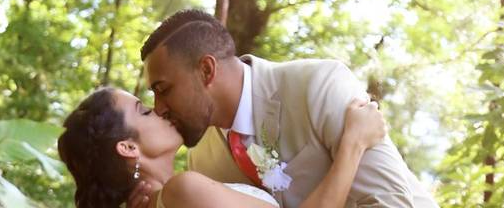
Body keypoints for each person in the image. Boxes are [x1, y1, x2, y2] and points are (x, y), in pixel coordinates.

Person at [130, 10, 439, 208]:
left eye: (163, 89)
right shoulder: (202, 161)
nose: (159, 108)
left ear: (207, 71)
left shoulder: (318, 85)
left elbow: (392, 203)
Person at [57, 86, 388, 208]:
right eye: (144, 110)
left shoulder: (181, 190)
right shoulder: (181, 191)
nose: (159, 109)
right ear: (128, 147)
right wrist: (354, 144)